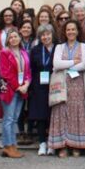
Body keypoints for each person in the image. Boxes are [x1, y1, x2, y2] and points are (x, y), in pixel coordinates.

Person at [49, 20, 85, 158]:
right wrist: (74, 62)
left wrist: (64, 66)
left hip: (78, 84)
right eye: (68, 30)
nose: (71, 32)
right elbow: (55, 63)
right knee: (61, 113)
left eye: (73, 29)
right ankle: (62, 146)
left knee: (76, 113)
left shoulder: (84, 46)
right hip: (62, 84)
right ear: (65, 32)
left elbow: (84, 65)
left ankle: (75, 145)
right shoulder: (59, 47)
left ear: (78, 31)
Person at [0, 29, 31, 159]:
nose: (13, 39)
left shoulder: (24, 53)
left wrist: (26, 85)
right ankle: (7, 146)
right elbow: (6, 74)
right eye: (10, 37)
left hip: (22, 89)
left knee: (15, 119)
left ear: (19, 38)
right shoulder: (5, 53)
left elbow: (28, 72)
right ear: (7, 40)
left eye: (15, 36)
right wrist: (19, 87)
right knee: (8, 119)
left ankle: (13, 145)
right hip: (10, 90)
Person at [28, 24, 55, 156]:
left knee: (53, 114)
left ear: (52, 34)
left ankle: (52, 143)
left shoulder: (58, 48)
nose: (46, 37)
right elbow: (31, 68)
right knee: (41, 116)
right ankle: (42, 143)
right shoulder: (35, 50)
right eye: (43, 35)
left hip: (55, 84)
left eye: (48, 34)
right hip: (39, 86)